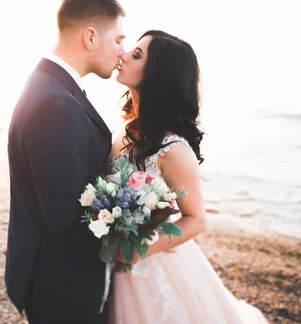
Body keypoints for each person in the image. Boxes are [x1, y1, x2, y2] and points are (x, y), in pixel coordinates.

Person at [109, 30, 268, 324]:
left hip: (153, 263)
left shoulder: (174, 149)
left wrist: (140, 249)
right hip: (115, 261)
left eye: (137, 54)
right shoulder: (124, 128)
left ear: (157, 74)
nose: (123, 55)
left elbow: (196, 219)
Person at [6, 0, 126, 323]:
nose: (122, 51)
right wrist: (129, 239)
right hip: (63, 290)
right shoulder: (56, 104)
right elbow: (66, 221)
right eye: (118, 39)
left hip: (59, 280)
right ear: (91, 37)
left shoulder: (52, 86)